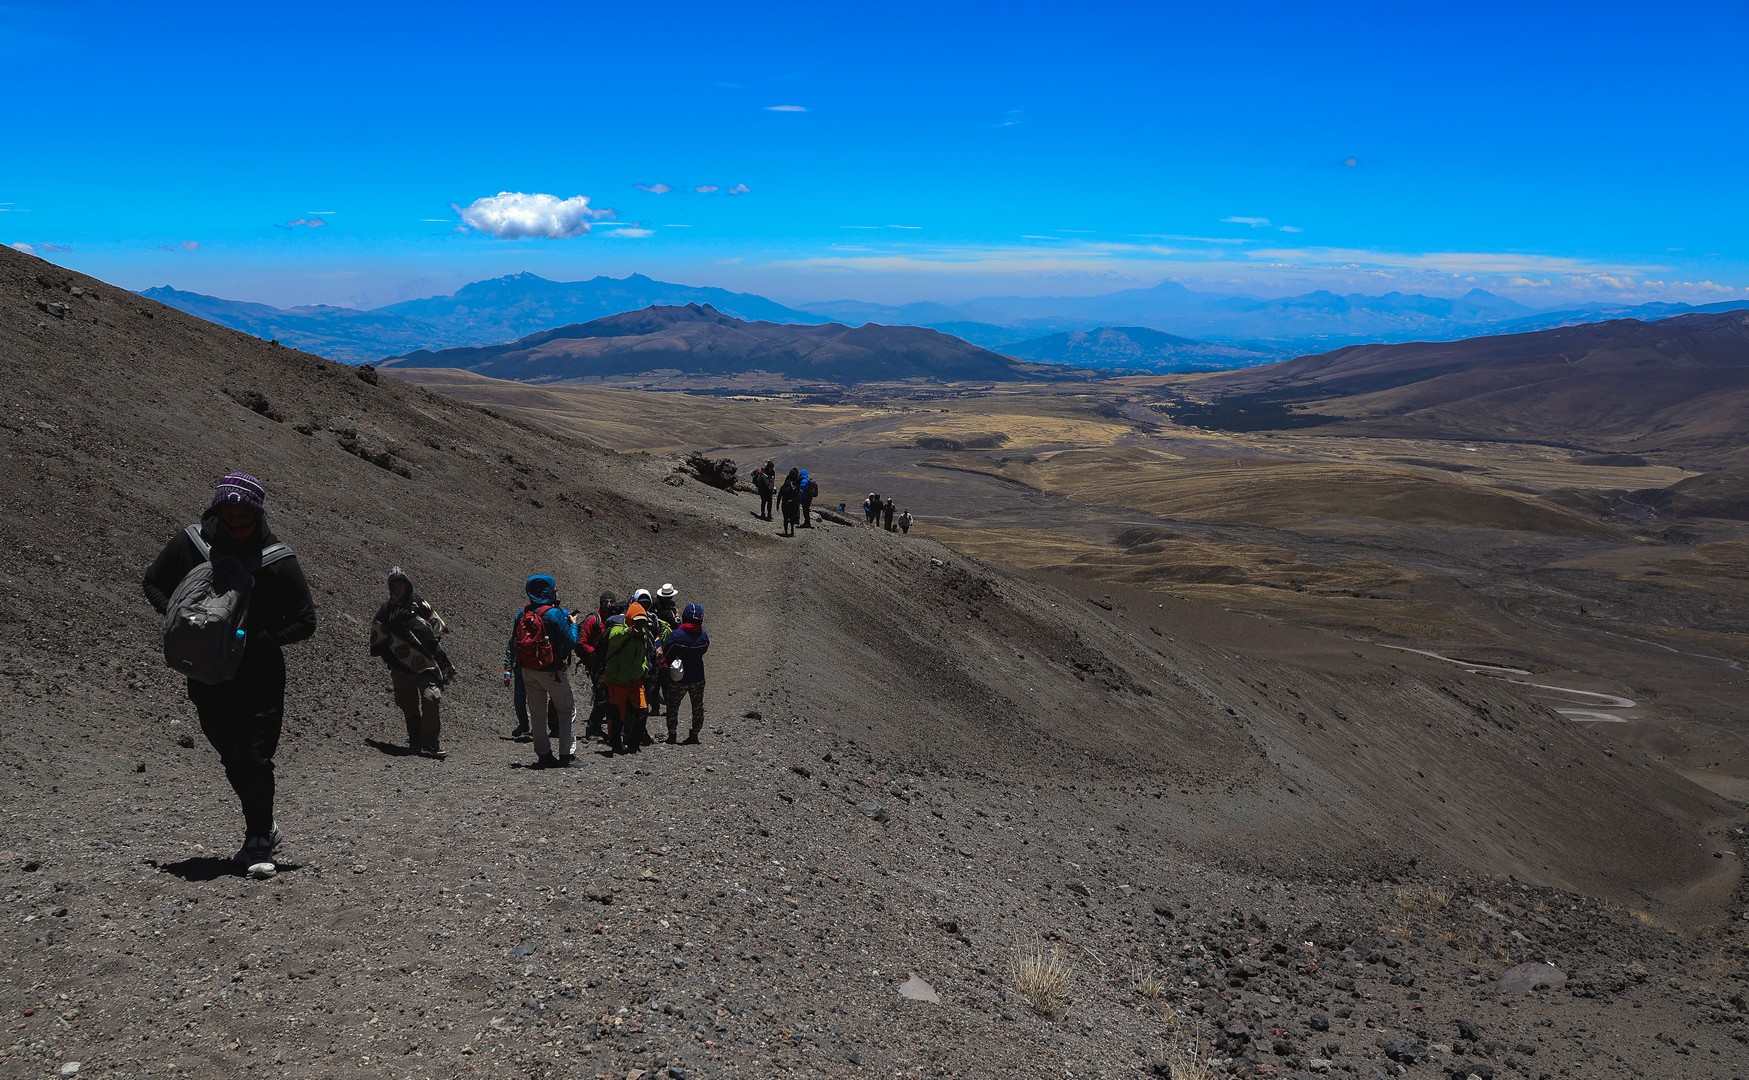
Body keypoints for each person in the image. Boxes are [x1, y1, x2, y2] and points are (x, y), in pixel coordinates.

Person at [142, 472, 317, 874]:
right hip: (206, 672)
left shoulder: (277, 560)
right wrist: (182, 620)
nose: (236, 522)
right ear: (218, 509)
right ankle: (262, 821)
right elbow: (153, 582)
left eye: (244, 515)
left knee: (255, 756)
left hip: (259, 675)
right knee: (230, 754)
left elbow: (305, 620)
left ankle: (257, 842)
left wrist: (262, 640)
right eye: (229, 513)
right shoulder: (192, 544)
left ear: (257, 514)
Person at [369, 567, 454, 759]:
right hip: (400, 665)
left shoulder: (420, 604)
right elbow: (377, 637)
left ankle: (431, 742)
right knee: (409, 705)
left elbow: (437, 626)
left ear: (407, 585)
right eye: (394, 584)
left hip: (425, 663)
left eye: (401, 584)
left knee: (431, 697)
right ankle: (416, 742)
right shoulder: (386, 609)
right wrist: (390, 659)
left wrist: (429, 645)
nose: (398, 588)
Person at [510, 574, 580, 768]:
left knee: (537, 713)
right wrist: (574, 625)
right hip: (552, 671)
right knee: (566, 710)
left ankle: (544, 755)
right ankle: (567, 755)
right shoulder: (553, 613)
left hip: (528, 670)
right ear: (549, 591)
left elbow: (514, 641)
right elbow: (572, 642)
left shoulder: (522, 614)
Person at [602, 602, 654, 754]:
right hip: (617, 682)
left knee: (642, 713)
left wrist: (644, 668)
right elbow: (614, 637)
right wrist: (629, 631)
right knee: (617, 716)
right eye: (637, 621)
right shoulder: (619, 631)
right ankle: (616, 744)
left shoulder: (643, 635)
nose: (640, 625)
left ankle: (633, 744)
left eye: (643, 621)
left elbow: (643, 655)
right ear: (630, 619)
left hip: (636, 682)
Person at [662, 602, 711, 744]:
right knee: (697, 705)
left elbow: (667, 653)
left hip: (678, 677)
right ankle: (695, 734)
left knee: (673, 705)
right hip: (697, 676)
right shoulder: (703, 636)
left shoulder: (676, 636)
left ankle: (672, 734)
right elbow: (704, 649)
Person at [576, 591, 618, 741]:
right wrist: (595, 654)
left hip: (609, 663)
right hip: (596, 664)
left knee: (607, 696)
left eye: (611, 602)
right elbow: (581, 642)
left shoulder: (613, 620)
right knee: (602, 696)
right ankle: (593, 729)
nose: (608, 605)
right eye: (605, 602)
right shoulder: (594, 619)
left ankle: (598, 727)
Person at [777, 472, 801, 537]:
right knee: (792, 518)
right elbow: (798, 497)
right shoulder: (794, 488)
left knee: (785, 518)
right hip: (792, 505)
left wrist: (777, 505)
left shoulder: (783, 487)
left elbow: (779, 497)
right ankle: (792, 530)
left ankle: (786, 532)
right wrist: (792, 501)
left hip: (784, 505)